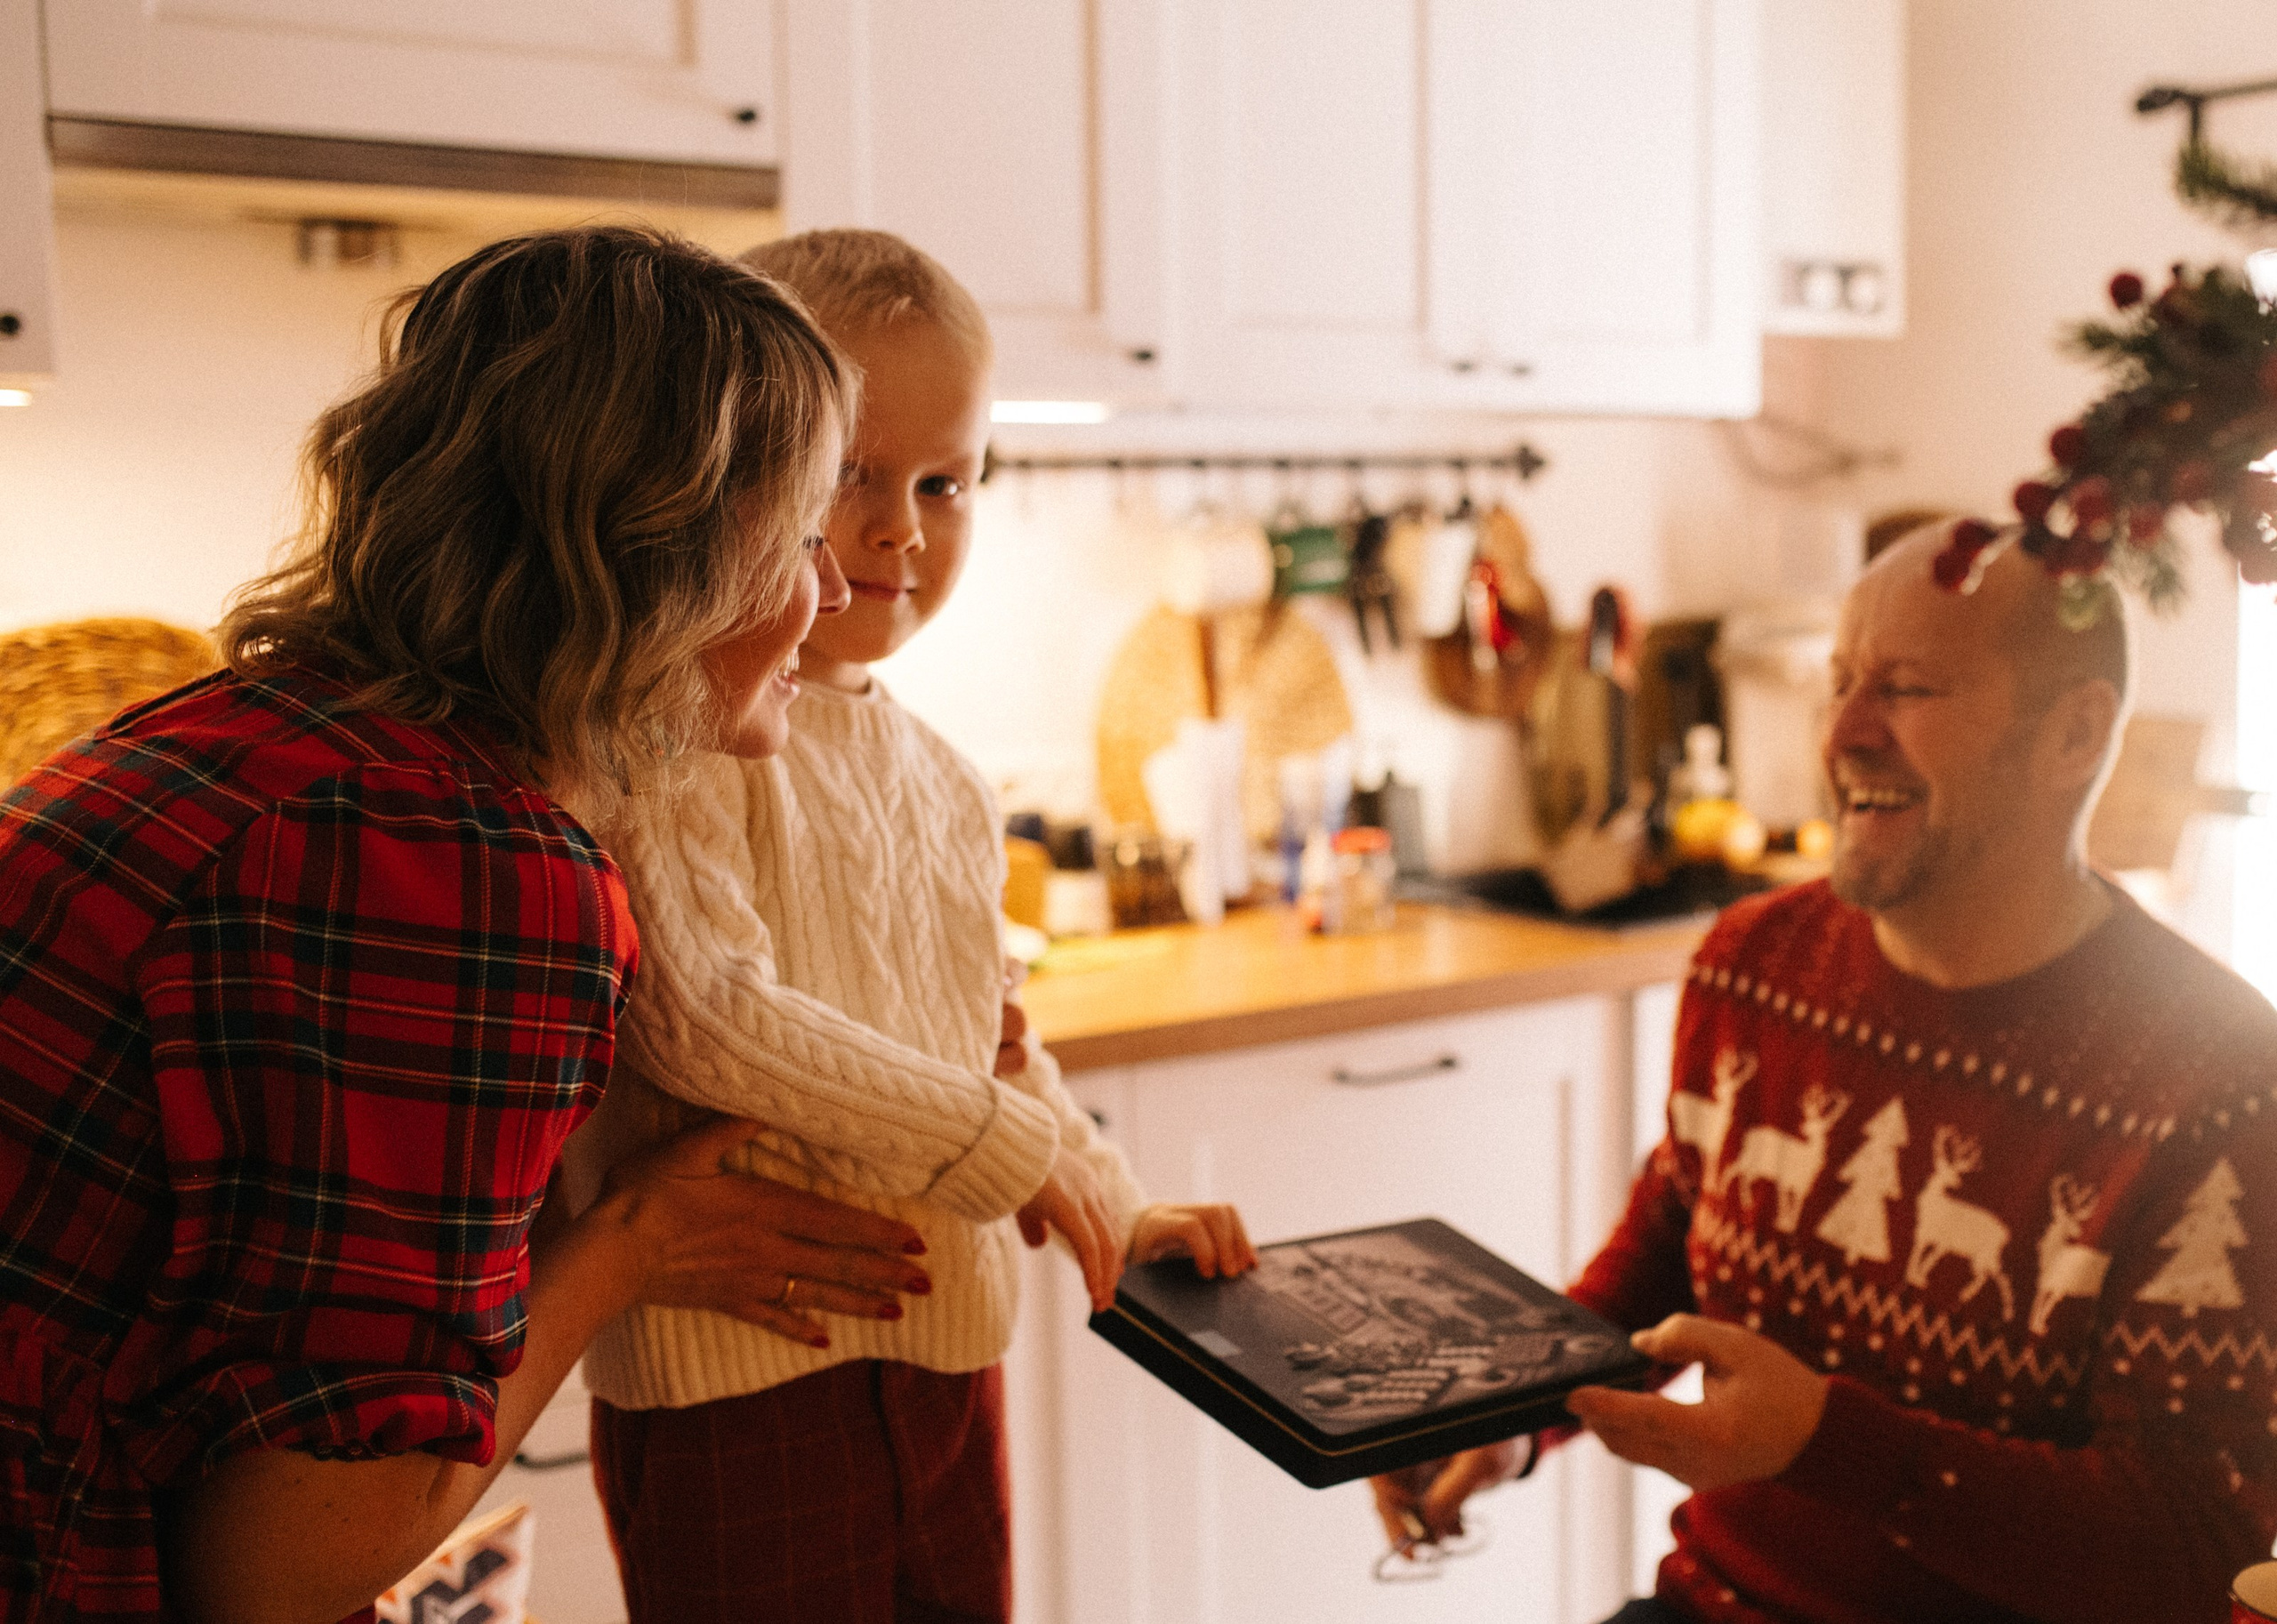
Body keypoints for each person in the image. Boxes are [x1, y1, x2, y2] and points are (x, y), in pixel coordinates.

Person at [0, 226, 935, 1624]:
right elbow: (281, 1568)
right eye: (803, 532)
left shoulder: (255, 734)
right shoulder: (452, 862)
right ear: (663, 551)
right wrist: (623, 1241)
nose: (831, 588)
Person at [1377, 522, 2277, 1623]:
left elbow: (2190, 1548)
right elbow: (1671, 1243)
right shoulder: (1753, 962)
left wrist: (1826, 1439)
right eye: (1838, 681)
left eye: (1904, 688)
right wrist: (1512, 1411)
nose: (1844, 732)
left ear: (2073, 735)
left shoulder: (2218, 1081)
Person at [566, 228, 1259, 1623]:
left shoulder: (944, 777)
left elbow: (992, 1045)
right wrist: (1004, 1152)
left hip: (947, 1354)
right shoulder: (668, 726)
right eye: (847, 477)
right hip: (737, 1377)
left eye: (946, 482)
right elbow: (710, 1018)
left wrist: (1116, 1200)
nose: (900, 527)